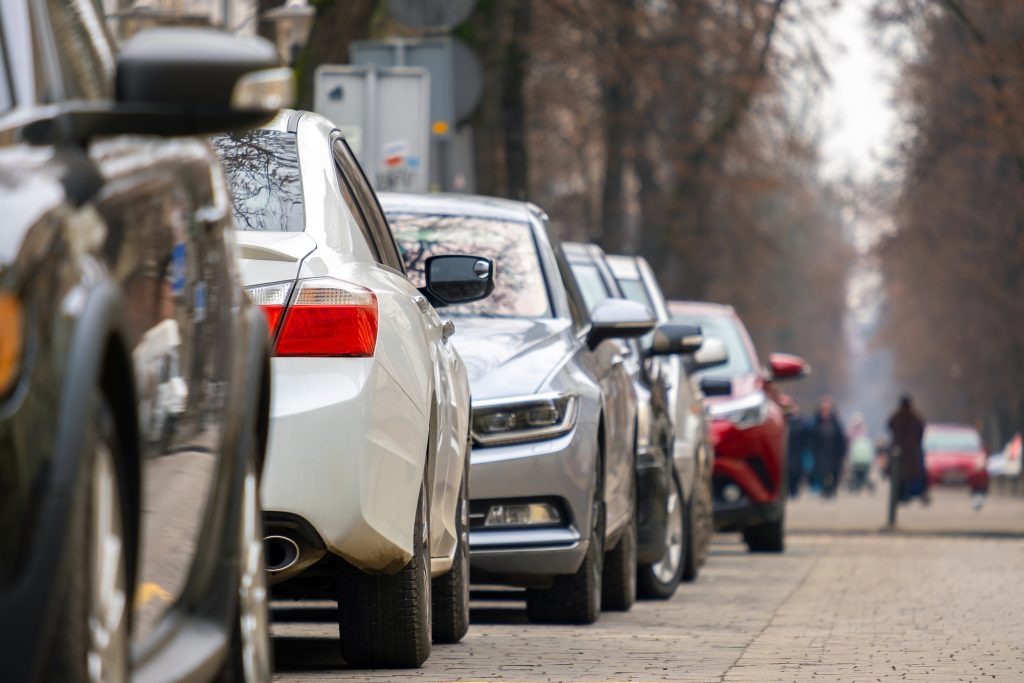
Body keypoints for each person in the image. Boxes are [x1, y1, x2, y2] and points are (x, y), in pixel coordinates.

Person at [888, 394, 928, 504]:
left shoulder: (896, 416)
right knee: (915, 472)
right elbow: (922, 430)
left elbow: (889, 426)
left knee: (898, 474)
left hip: (898, 450)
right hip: (911, 451)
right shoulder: (916, 417)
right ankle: (919, 494)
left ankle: (901, 495)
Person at [807, 396, 848, 498]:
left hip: (834, 455)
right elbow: (811, 441)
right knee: (821, 473)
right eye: (823, 409)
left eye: (827, 409)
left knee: (834, 474)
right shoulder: (815, 424)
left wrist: (842, 454)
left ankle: (832, 490)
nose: (825, 412)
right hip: (820, 454)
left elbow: (841, 441)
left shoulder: (836, 424)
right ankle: (824, 490)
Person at [847, 412, 875, 494]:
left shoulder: (859, 431)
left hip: (858, 457)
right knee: (861, 475)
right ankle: (860, 486)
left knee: (859, 475)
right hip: (860, 457)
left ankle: (858, 486)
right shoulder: (863, 431)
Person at [786, 402, 807, 497]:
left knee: (797, 472)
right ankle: (790, 490)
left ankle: (795, 490)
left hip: (798, 451)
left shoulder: (801, 423)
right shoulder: (785, 422)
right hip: (787, 450)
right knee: (789, 472)